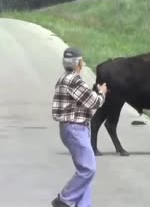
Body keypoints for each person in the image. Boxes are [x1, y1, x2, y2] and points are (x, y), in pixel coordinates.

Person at [51, 47, 108, 207]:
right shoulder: (74, 80)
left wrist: (94, 93)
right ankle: (64, 199)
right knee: (88, 170)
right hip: (75, 129)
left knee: (85, 173)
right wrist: (102, 92)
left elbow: (82, 100)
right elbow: (94, 102)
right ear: (78, 64)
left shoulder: (64, 78)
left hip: (71, 128)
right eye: (82, 61)